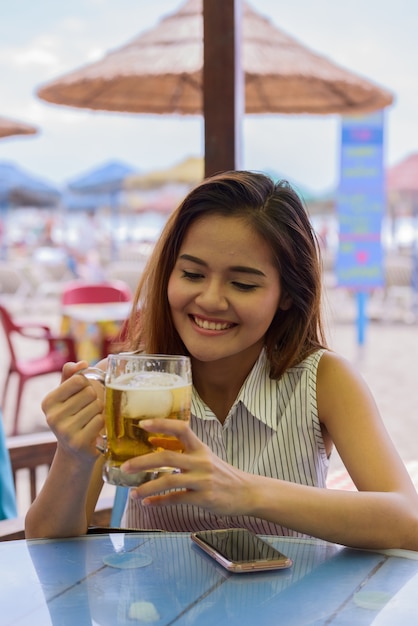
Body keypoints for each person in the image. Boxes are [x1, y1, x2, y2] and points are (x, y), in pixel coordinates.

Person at [25, 171, 418, 550]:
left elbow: (407, 523)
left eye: (243, 283)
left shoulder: (323, 379)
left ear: (286, 294)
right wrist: (74, 457)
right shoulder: (127, 381)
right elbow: (44, 544)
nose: (211, 300)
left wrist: (245, 491)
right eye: (193, 274)